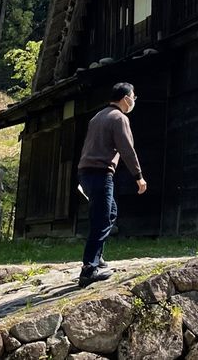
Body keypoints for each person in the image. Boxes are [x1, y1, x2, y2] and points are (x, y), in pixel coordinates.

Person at [77, 82, 147, 287]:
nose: (134, 100)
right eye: (133, 96)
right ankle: (89, 268)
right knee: (102, 219)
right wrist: (139, 176)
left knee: (109, 213)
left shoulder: (97, 117)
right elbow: (127, 149)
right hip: (100, 173)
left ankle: (97, 258)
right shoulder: (119, 118)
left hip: (86, 173)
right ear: (126, 98)